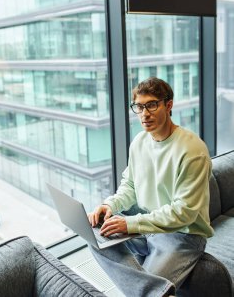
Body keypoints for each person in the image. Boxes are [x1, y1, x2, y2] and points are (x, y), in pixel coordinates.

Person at [87, 77, 214, 297]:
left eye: (152, 105)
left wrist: (130, 224)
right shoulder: (139, 142)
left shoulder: (193, 150)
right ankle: (154, 288)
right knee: (94, 235)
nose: (144, 114)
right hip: (146, 223)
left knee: (142, 291)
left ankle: (150, 289)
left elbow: (183, 214)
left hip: (181, 235)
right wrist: (109, 205)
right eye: (139, 107)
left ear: (169, 105)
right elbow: (130, 185)